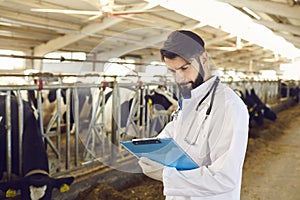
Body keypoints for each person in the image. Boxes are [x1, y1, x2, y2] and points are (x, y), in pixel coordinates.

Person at [138, 30, 249, 199]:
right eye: (173, 71)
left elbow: (224, 178)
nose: (179, 78)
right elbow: (169, 139)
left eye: (184, 68)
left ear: (203, 58)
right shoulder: (189, 101)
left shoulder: (229, 106)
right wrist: (148, 152)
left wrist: (168, 175)